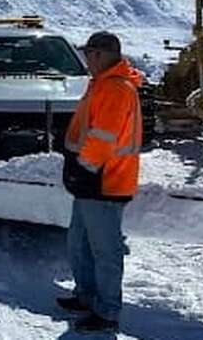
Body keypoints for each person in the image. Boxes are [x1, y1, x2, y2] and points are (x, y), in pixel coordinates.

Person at [57, 31, 143, 334]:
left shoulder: (116, 89)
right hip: (92, 179)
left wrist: (83, 168)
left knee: (105, 250)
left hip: (104, 181)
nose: (85, 61)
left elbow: (104, 137)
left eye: (88, 55)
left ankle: (106, 311)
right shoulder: (102, 84)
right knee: (78, 243)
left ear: (100, 55)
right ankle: (86, 296)